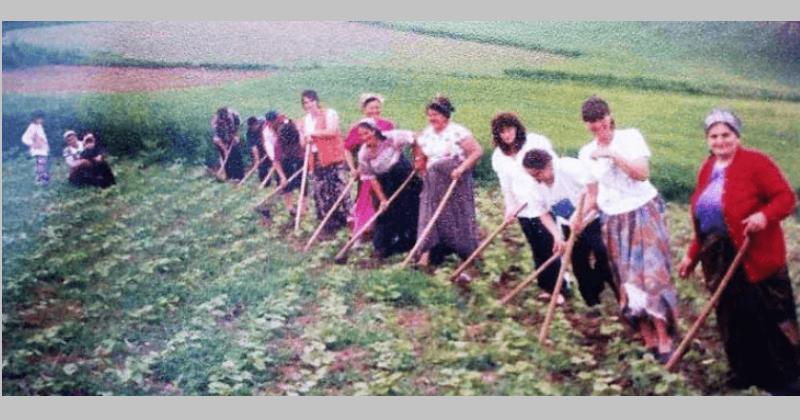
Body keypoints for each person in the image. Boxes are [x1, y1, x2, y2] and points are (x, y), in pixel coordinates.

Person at [677, 108, 799, 394]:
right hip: (717, 255)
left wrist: (763, 216)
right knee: (733, 316)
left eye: (726, 135)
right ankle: (745, 371)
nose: (720, 141)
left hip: (755, 254)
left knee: (769, 314)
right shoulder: (707, 168)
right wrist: (691, 255)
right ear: (707, 140)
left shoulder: (756, 163)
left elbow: (785, 198)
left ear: (737, 136)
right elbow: (703, 221)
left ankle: (786, 379)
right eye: (714, 136)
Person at [577, 95, 678, 362]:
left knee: (652, 274)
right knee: (627, 279)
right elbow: (593, 195)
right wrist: (579, 220)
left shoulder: (630, 137)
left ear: (610, 117)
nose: (599, 127)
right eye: (592, 123)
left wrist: (612, 154)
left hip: (643, 212)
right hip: (613, 221)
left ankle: (664, 335)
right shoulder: (585, 153)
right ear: (585, 125)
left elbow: (641, 173)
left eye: (601, 120)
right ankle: (646, 335)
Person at [519, 149, 616, 307]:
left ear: (549, 165)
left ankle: (614, 288)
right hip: (567, 226)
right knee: (579, 265)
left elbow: (594, 193)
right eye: (532, 175)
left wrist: (578, 215)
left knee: (602, 252)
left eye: (538, 174)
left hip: (593, 218)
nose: (536, 179)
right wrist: (557, 235)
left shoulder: (569, 167)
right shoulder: (534, 185)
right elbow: (543, 213)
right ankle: (592, 304)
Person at [489, 112, 565, 301]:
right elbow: (506, 186)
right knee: (536, 246)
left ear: (517, 128)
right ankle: (546, 287)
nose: (506, 135)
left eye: (509, 129)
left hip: (544, 202)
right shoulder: (499, 157)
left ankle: (561, 289)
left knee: (550, 245)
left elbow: (554, 169)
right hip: (523, 208)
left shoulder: (535, 142)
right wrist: (509, 208)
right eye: (501, 132)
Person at [413, 95, 483, 274]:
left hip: (454, 181)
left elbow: (476, 152)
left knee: (457, 215)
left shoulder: (457, 131)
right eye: (429, 115)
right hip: (432, 182)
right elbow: (421, 150)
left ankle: (466, 253)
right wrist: (420, 161)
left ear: (445, 115)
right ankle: (425, 255)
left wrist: (461, 168)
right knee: (428, 214)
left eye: (435, 114)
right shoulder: (427, 132)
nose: (431, 118)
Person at [355, 121, 422, 259]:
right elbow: (372, 178)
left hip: (405, 177)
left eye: (366, 133)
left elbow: (415, 138)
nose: (364, 137)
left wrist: (418, 159)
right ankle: (382, 248)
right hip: (385, 183)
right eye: (361, 135)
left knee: (411, 210)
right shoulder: (363, 154)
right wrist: (382, 199)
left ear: (374, 131)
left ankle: (412, 244)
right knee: (385, 213)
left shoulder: (392, 137)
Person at [297, 90, 353, 239]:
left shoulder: (330, 113)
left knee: (340, 187)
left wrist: (313, 134)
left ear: (317, 101)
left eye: (310, 101)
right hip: (315, 158)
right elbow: (303, 143)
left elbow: (332, 131)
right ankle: (328, 221)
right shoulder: (304, 120)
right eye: (305, 103)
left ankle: (350, 219)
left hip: (333, 155)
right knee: (320, 190)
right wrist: (304, 137)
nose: (308, 105)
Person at [344, 93, 396, 240]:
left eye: (377, 107)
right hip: (367, 170)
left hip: (387, 170)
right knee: (367, 200)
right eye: (371, 108)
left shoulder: (388, 125)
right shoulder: (359, 128)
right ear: (364, 109)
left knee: (387, 198)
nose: (374, 111)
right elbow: (347, 147)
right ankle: (365, 231)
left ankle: (385, 231)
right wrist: (353, 168)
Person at [255, 111, 306, 226]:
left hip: (298, 154)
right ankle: (290, 208)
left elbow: (302, 144)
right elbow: (275, 160)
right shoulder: (271, 138)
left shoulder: (289, 126)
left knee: (302, 181)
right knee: (284, 182)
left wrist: (303, 163)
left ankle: (303, 208)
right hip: (281, 156)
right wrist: (282, 177)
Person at [211, 106, 244, 181]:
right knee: (225, 157)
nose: (224, 119)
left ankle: (239, 177)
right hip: (222, 139)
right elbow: (217, 139)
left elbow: (239, 126)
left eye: (225, 117)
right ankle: (229, 176)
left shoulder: (234, 115)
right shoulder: (215, 121)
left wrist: (236, 136)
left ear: (227, 114)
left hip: (232, 136)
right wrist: (225, 149)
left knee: (236, 155)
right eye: (222, 118)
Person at [21, 110, 50, 186]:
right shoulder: (32, 127)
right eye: (39, 118)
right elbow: (25, 138)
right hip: (37, 151)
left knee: (44, 165)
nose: (41, 120)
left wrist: (46, 147)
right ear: (34, 118)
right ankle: (39, 181)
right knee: (39, 166)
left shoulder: (39, 126)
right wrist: (32, 143)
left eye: (42, 118)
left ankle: (45, 180)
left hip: (43, 150)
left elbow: (43, 138)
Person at [245, 116, 273, 185]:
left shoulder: (264, 124)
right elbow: (254, 148)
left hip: (269, 145)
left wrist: (269, 150)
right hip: (259, 149)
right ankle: (265, 184)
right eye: (252, 127)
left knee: (274, 163)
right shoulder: (249, 133)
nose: (255, 127)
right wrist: (257, 160)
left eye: (256, 125)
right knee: (262, 167)